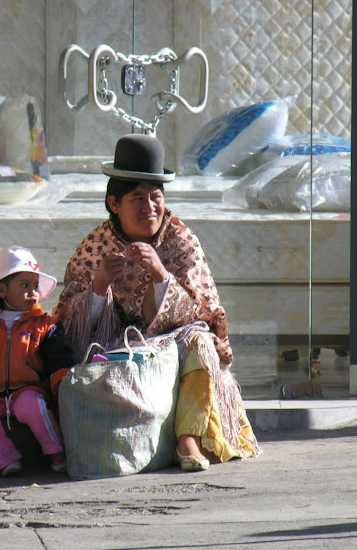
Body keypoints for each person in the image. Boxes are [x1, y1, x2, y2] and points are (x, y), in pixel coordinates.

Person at [54, 133, 261, 472]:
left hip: (173, 346)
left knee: (200, 342)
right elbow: (70, 322)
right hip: (116, 346)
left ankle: (189, 436)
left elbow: (204, 311)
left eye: (155, 197)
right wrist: (100, 285)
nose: (149, 206)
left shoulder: (181, 239)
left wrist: (160, 275)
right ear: (113, 204)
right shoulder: (95, 246)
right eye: (137, 198)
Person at [0, 246, 74, 477]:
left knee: (32, 406)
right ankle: (5, 458)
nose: (33, 293)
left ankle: (57, 452)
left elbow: (57, 358)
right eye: (25, 286)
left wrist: (60, 381)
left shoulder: (45, 325)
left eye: (35, 286)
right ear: (1, 289)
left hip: (28, 389)